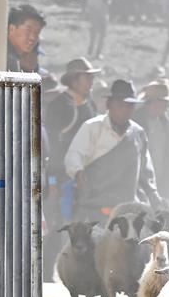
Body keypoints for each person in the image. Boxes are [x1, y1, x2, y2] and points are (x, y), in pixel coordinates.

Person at [65, 80, 163, 222]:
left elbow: (146, 172)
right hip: (93, 206)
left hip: (127, 209)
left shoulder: (138, 133)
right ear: (109, 105)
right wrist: (78, 171)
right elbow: (74, 154)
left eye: (129, 106)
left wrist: (154, 196)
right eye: (120, 105)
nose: (124, 110)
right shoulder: (92, 127)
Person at [43, 57, 102, 268]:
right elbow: (52, 148)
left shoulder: (90, 105)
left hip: (84, 178)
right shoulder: (60, 106)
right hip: (61, 178)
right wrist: (52, 182)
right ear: (75, 79)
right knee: (58, 226)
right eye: (87, 77)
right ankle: (51, 271)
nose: (91, 82)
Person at [134, 80, 169, 209]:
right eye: (163, 102)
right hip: (139, 182)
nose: (165, 106)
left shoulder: (165, 122)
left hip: (162, 180)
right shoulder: (136, 122)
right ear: (151, 103)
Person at [7, 4, 46, 73]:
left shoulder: (19, 62)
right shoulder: (3, 58)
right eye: (28, 30)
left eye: (37, 33)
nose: (32, 38)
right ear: (12, 29)